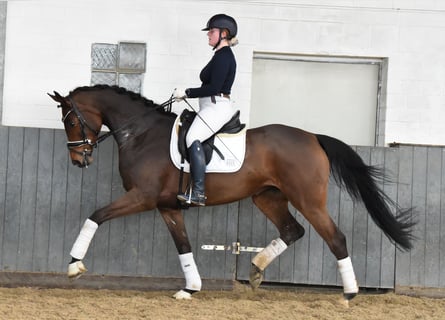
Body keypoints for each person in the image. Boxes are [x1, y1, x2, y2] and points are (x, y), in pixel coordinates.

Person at [173, 13, 239, 206]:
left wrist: (187, 92)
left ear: (224, 34)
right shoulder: (219, 55)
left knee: (192, 137)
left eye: (212, 31)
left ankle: (199, 192)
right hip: (209, 105)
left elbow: (213, 88)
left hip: (217, 107)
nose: (208, 35)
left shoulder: (224, 57)